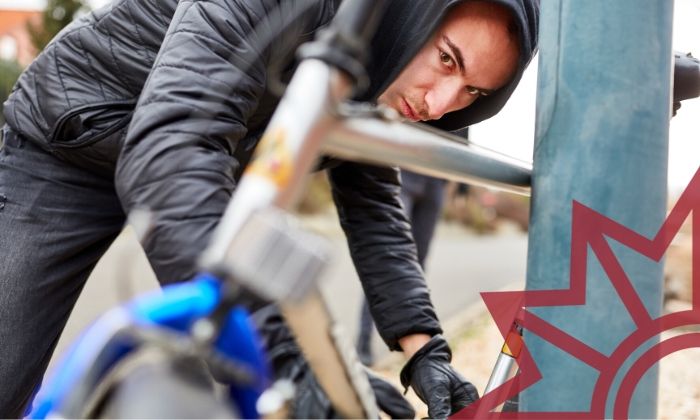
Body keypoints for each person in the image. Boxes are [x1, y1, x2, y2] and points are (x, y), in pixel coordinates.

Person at [0, 0, 538, 417]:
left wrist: (426, 351)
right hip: (73, 143)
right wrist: (286, 354)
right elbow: (170, 149)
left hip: (201, 169)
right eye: (447, 59)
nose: (440, 103)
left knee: (234, 374)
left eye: (470, 91)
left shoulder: (382, 56)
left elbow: (371, 194)